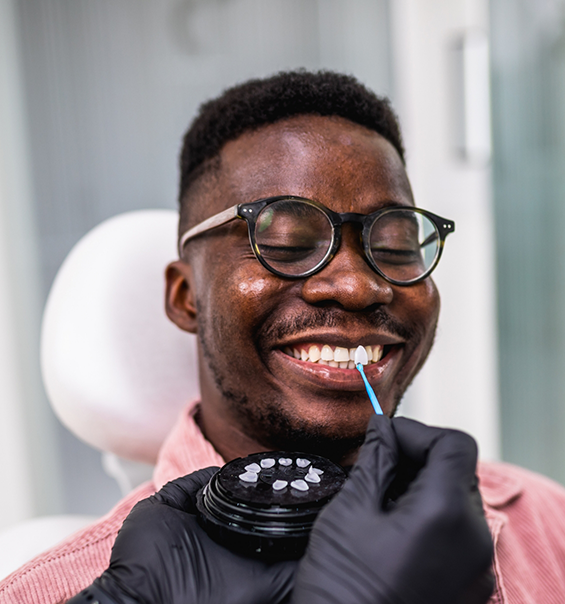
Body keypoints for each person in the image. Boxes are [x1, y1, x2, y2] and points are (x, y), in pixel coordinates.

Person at [2, 70, 565, 604]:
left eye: (394, 246)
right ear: (185, 297)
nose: (356, 284)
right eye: (289, 242)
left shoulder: (546, 519)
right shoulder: (69, 590)